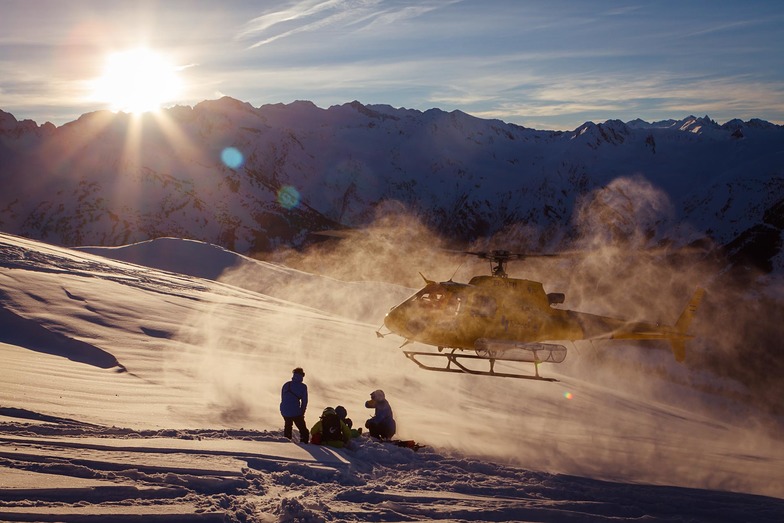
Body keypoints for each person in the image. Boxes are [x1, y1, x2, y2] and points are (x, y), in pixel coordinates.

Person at [280, 367, 309, 443]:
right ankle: (305, 443)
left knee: (288, 425)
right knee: (303, 430)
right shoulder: (303, 387)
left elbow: (283, 398)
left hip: (284, 410)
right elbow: (304, 401)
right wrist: (302, 412)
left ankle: (286, 440)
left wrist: (284, 409)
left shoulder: (286, 384)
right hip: (295, 411)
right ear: (302, 376)